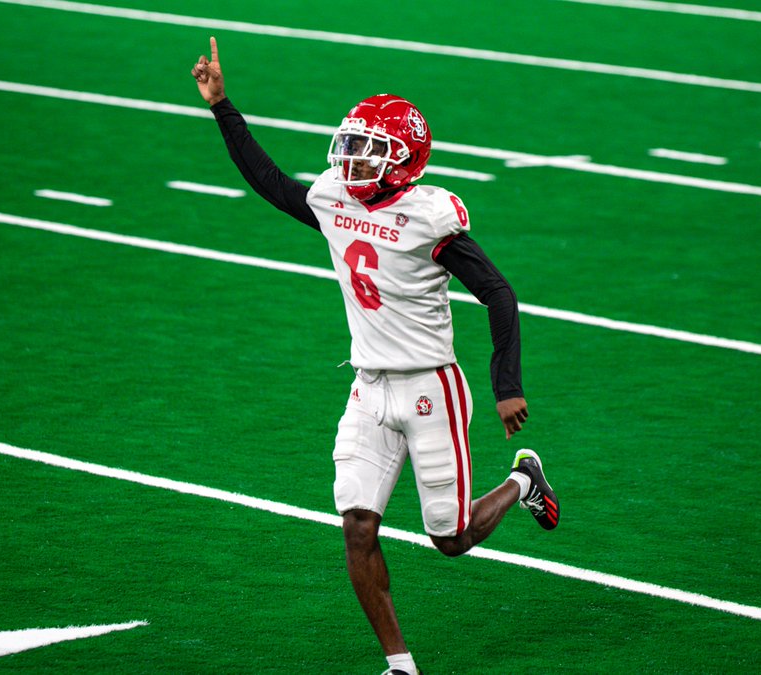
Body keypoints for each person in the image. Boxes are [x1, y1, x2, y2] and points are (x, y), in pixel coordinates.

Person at [192, 37, 558, 675]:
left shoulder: (429, 218)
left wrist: (507, 385)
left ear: (405, 160)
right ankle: (400, 665)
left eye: (370, 148)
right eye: (353, 144)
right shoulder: (335, 199)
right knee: (357, 526)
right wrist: (223, 107)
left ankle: (523, 479)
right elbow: (271, 183)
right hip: (367, 387)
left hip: (431, 388)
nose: (354, 158)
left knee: (451, 539)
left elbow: (499, 294)